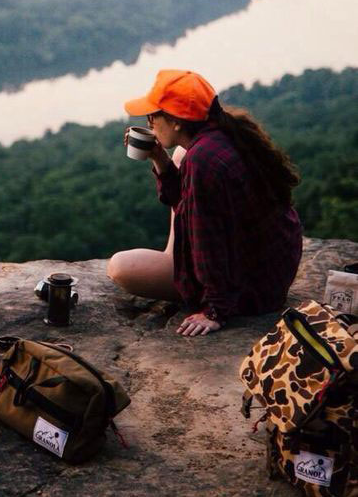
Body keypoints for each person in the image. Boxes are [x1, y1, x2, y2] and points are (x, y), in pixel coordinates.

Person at [107, 69, 302, 337]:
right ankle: (175, 262)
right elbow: (185, 203)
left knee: (120, 268)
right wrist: (158, 158)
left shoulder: (203, 162)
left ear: (177, 122)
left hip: (250, 286)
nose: (149, 122)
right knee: (178, 156)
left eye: (153, 115)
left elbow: (208, 242)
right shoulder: (219, 134)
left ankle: (182, 271)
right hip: (266, 266)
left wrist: (215, 310)